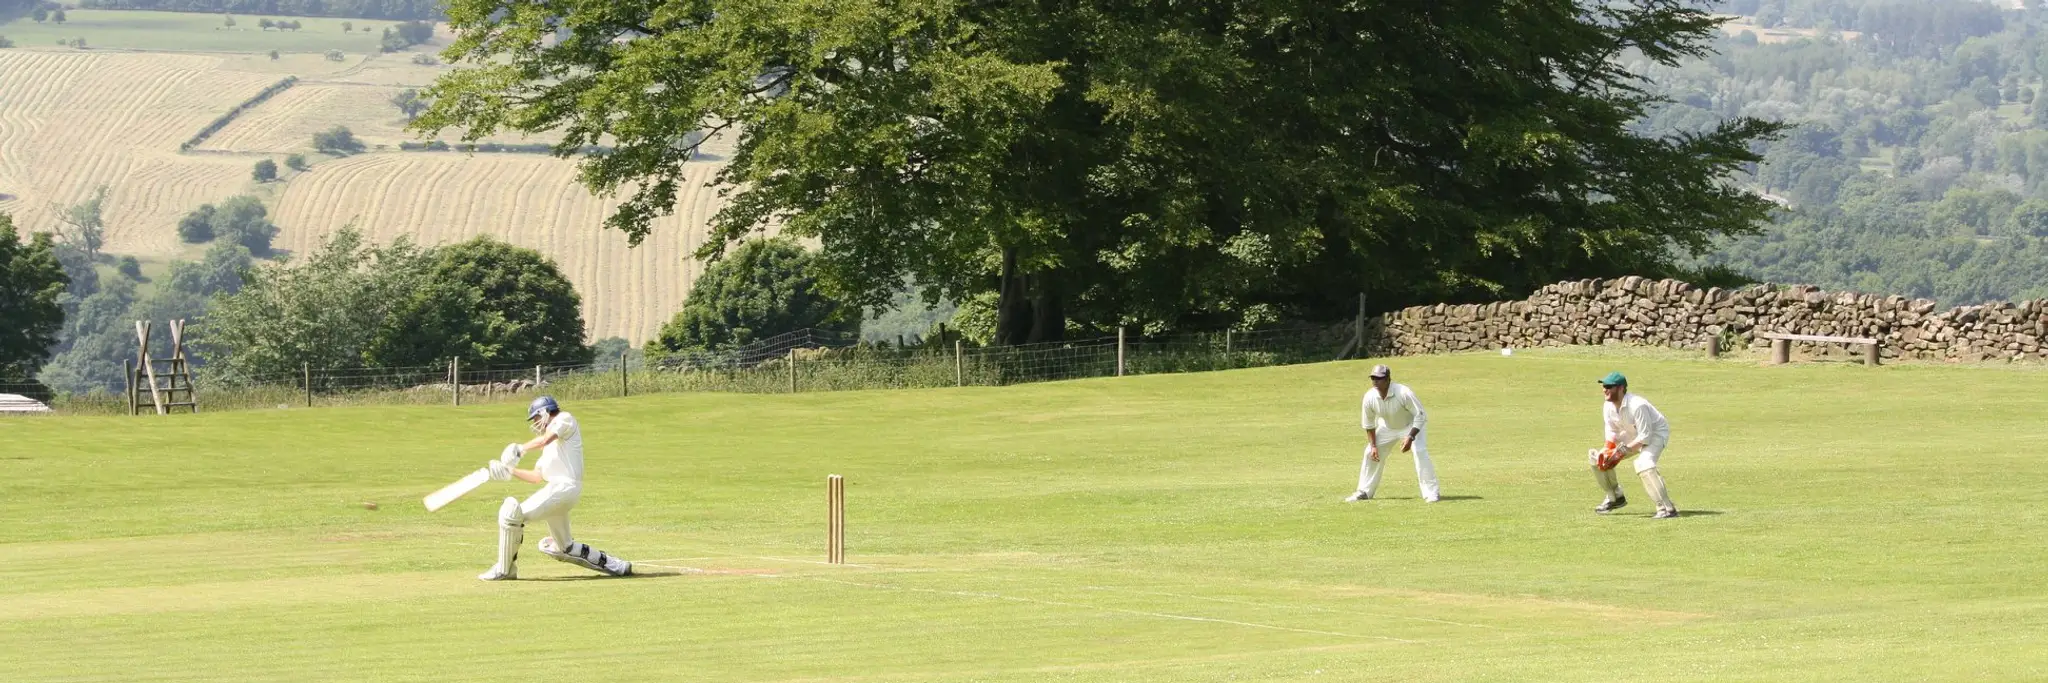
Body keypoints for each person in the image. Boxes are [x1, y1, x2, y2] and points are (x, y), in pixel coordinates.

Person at [477, 395, 634, 580]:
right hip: (559, 493)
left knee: (511, 514)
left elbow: (544, 440)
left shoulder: (564, 419)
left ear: (545, 412)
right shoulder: (549, 450)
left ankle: (504, 570)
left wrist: (520, 449)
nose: (535, 423)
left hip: (563, 488)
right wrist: (509, 470)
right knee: (563, 547)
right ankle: (618, 566)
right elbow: (536, 477)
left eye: (536, 417)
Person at [1345, 364, 1440, 502]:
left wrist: (1410, 437)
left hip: (1411, 426)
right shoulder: (1369, 397)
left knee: (1420, 452)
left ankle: (1431, 493)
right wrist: (1374, 446)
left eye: (1379, 378)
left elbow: (1421, 415)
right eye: (1373, 378)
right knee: (1369, 453)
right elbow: (1369, 424)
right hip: (1387, 428)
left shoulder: (1403, 393)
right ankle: (1364, 491)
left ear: (1388, 379)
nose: (1375, 381)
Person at [1590, 372, 1678, 519]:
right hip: (1631, 432)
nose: (1605, 390)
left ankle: (1667, 508)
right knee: (1597, 458)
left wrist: (1620, 453)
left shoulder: (1637, 405)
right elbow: (1612, 430)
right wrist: (1608, 450)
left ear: (1621, 388)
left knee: (1644, 464)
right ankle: (1615, 497)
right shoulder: (1608, 406)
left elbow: (1645, 437)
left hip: (1655, 433)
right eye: (1604, 386)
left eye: (1609, 386)